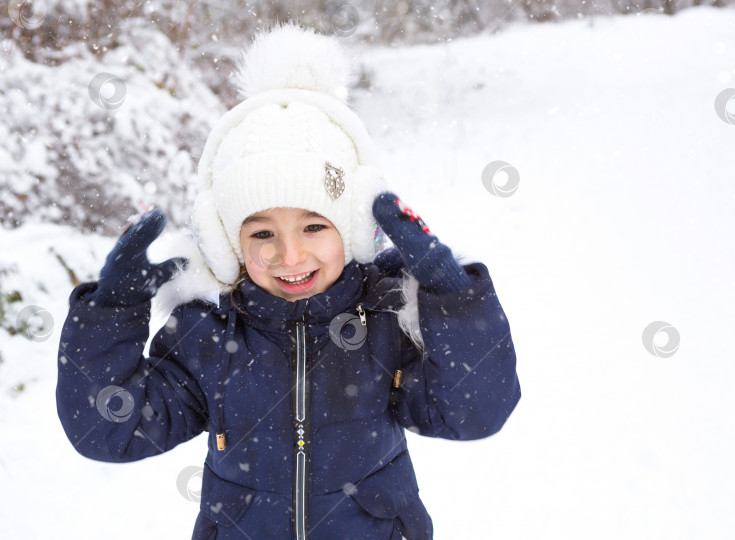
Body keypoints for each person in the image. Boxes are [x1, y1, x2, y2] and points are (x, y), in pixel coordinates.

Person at [56, 22, 521, 540]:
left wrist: (452, 300)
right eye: (261, 232)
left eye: (315, 225)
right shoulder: (208, 335)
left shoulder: (385, 320)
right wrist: (112, 312)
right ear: (228, 241)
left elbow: (477, 411)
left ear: (352, 231)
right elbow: (106, 430)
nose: (289, 254)